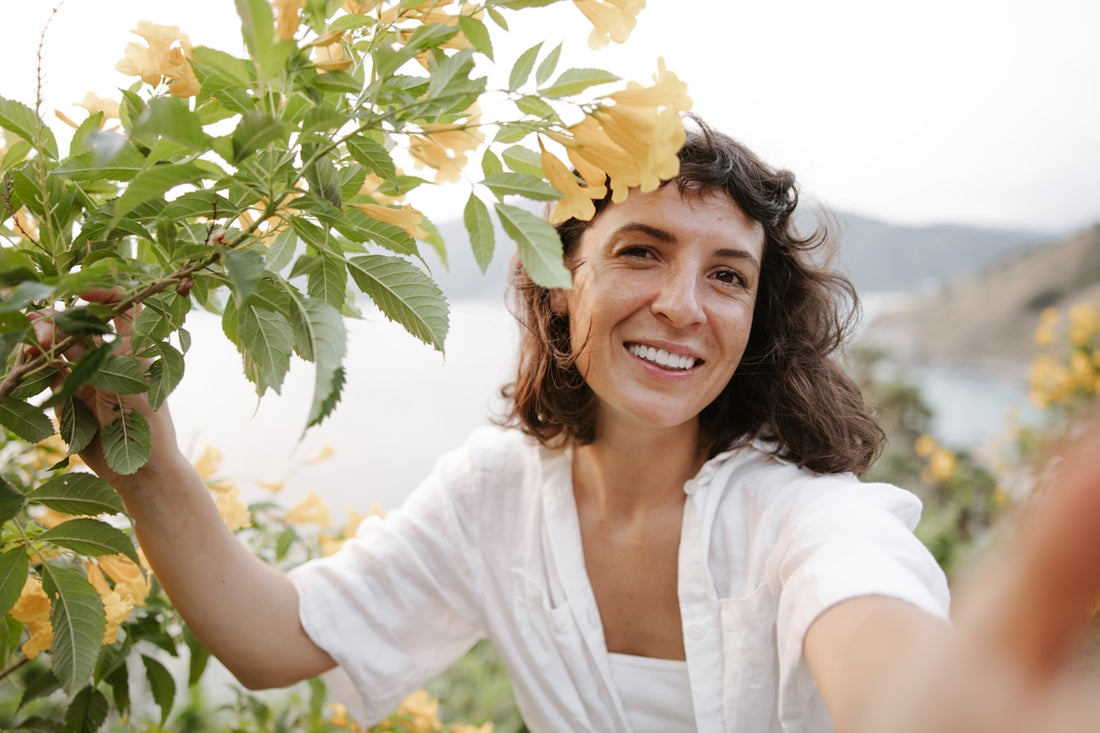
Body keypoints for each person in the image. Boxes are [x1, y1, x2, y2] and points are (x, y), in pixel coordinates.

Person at [41, 118, 1100, 733]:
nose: (685, 304)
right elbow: (276, 639)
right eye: (641, 250)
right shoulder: (494, 491)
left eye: (726, 275)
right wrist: (140, 451)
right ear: (557, 285)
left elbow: (881, 652)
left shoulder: (805, 521)